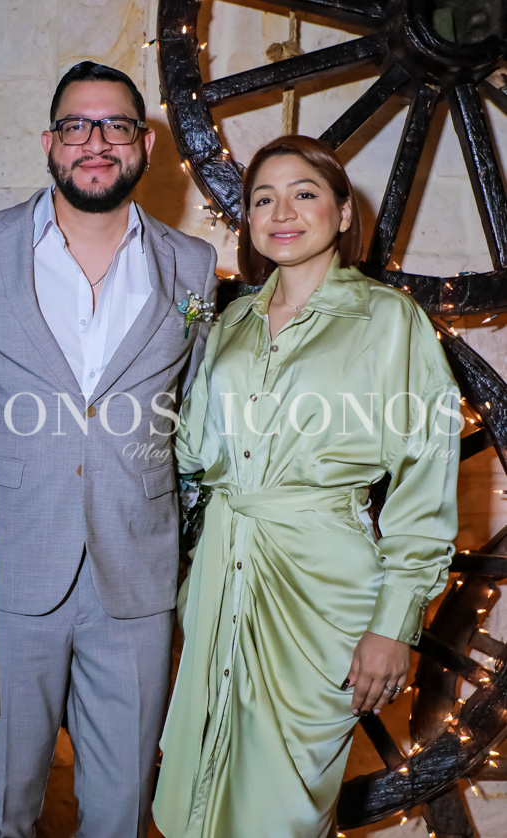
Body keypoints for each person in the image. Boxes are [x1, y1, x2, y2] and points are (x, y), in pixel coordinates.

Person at [0, 61, 218, 838]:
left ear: (145, 144)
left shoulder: (192, 265)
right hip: (14, 568)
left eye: (115, 125)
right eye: (76, 126)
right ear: (49, 143)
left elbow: (194, 404)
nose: (95, 142)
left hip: (137, 577)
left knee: (122, 813)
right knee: (4, 806)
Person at [152, 135, 460, 837]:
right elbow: (190, 452)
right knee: (197, 798)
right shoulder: (230, 321)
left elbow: (425, 480)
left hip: (321, 597)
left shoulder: (389, 321)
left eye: (304, 193)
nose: (281, 212)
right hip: (219, 579)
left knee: (283, 813)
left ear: (344, 213)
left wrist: (393, 624)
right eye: (263, 198)